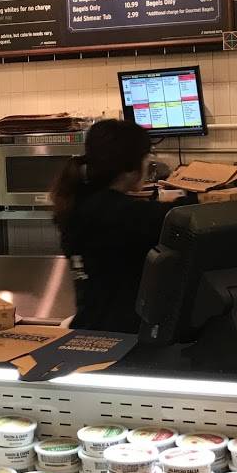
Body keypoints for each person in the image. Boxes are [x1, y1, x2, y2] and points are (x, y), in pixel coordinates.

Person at [51, 118, 180, 334]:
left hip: (88, 328)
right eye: (146, 158)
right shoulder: (121, 213)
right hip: (121, 338)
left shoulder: (78, 203)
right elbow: (173, 217)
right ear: (130, 167)